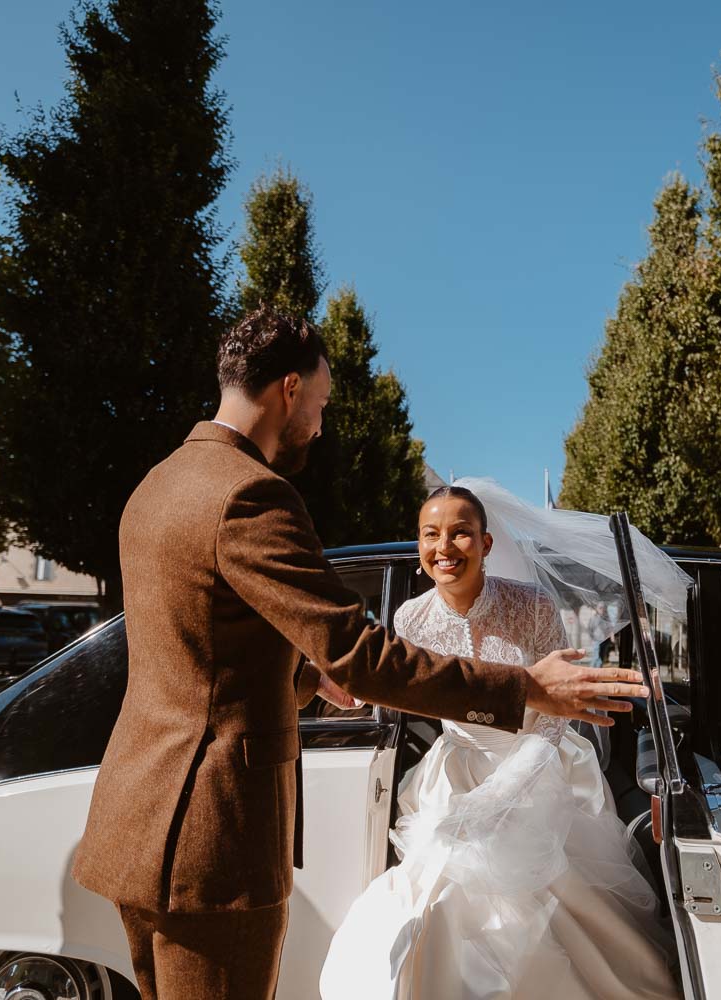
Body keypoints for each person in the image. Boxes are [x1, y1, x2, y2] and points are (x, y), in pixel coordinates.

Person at [71, 306, 650, 1000]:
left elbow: (198, 645)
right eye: (320, 401)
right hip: (209, 842)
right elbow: (361, 654)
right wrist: (525, 687)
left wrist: (299, 678)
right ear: (289, 388)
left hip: (134, 823)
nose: (320, 422)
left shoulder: (157, 484)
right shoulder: (251, 495)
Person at [319, 484, 680, 1000]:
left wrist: (513, 785)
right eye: (431, 535)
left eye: (461, 533)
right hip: (453, 779)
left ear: (486, 544)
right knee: (442, 899)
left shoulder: (531, 605)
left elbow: (556, 716)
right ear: (419, 548)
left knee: (548, 912)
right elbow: (410, 692)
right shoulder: (409, 619)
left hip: (537, 770)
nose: (445, 547)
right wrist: (355, 695)